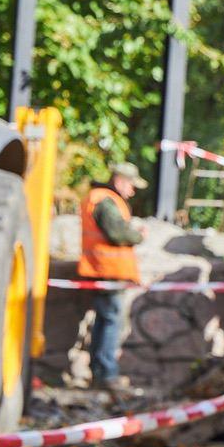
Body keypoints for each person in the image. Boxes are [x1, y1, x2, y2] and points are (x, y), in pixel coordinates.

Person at [79, 161, 147, 393]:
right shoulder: (106, 201)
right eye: (131, 185)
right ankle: (107, 373)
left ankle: (100, 372)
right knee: (111, 321)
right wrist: (137, 235)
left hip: (103, 270)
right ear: (119, 181)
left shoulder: (101, 198)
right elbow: (116, 233)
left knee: (105, 320)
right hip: (107, 271)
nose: (133, 190)